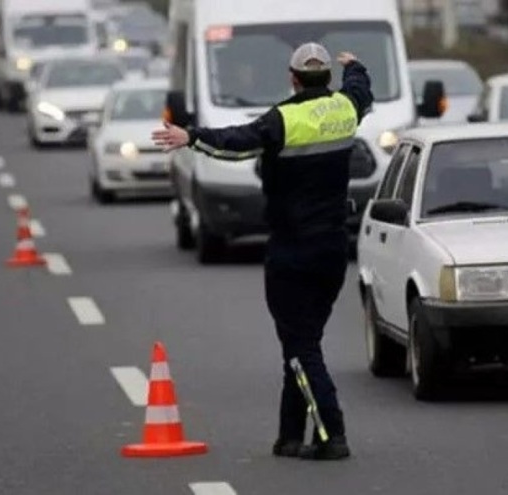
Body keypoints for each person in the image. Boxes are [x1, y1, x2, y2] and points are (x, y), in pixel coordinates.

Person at [152, 42, 373, 461]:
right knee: (303, 342)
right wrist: (356, 66)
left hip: (292, 251)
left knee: (300, 346)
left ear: (292, 77)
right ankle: (289, 436)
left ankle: (332, 434)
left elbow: (236, 142)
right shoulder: (345, 109)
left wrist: (191, 137)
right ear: (326, 78)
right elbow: (362, 92)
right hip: (332, 250)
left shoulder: (282, 119)